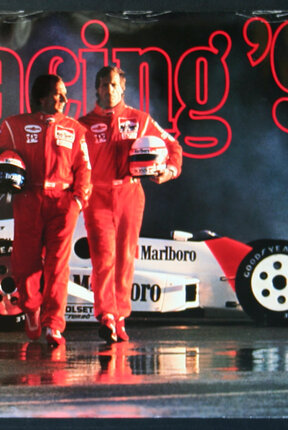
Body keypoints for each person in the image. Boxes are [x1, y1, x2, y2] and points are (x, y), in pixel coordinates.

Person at [0, 74, 92, 347]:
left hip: (63, 202)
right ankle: (32, 308)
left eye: (64, 94)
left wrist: (78, 201)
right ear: (41, 97)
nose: (63, 99)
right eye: (57, 94)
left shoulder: (75, 130)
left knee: (58, 265)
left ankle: (54, 326)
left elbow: (85, 169)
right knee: (25, 262)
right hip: (28, 199)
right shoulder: (15, 126)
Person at [79, 66, 183, 343]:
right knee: (103, 258)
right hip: (97, 196)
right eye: (102, 85)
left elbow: (173, 147)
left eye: (113, 85)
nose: (108, 89)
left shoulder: (139, 119)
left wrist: (168, 171)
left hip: (130, 194)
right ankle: (106, 316)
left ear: (123, 88)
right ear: (96, 89)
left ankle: (121, 316)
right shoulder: (83, 124)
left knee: (125, 257)